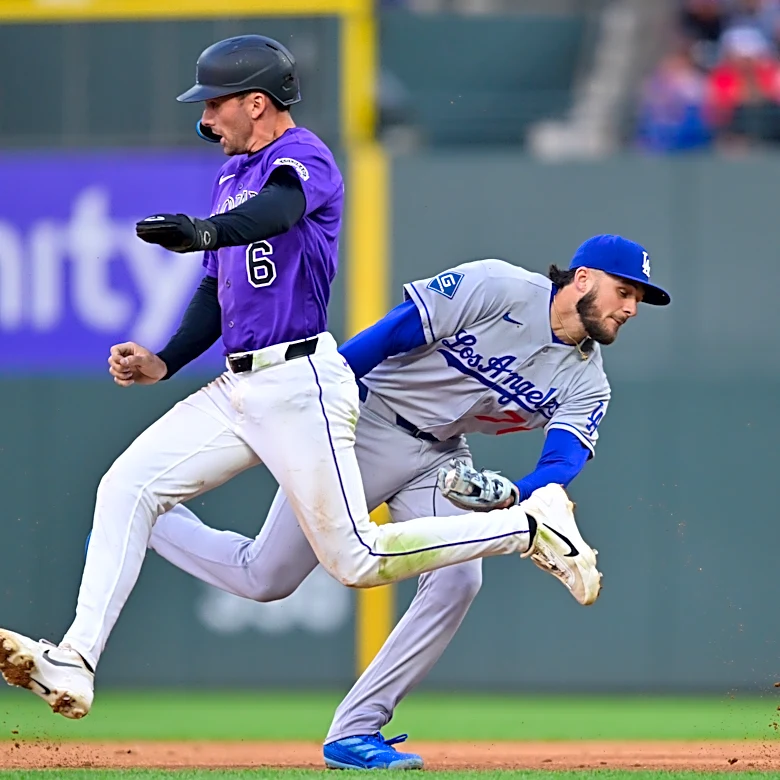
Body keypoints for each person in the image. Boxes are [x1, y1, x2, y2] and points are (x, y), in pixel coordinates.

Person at [0, 38, 640, 723]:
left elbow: (277, 212)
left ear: (256, 102)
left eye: (215, 104)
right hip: (242, 386)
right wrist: (166, 360)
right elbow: (218, 294)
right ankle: (76, 658)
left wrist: (206, 231)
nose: (206, 119)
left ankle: (525, 531)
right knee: (129, 488)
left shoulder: (303, 156)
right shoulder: (229, 178)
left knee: (357, 561)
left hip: (301, 380)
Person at [146, 234, 671, 769]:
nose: (630, 307)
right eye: (624, 290)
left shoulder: (588, 381)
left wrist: (516, 492)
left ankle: (355, 731)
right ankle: (147, 519)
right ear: (583, 278)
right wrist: (322, 402)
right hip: (365, 423)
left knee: (460, 578)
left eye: (638, 299)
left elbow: (562, 462)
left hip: (441, 457)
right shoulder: (499, 286)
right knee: (264, 578)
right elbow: (394, 332)